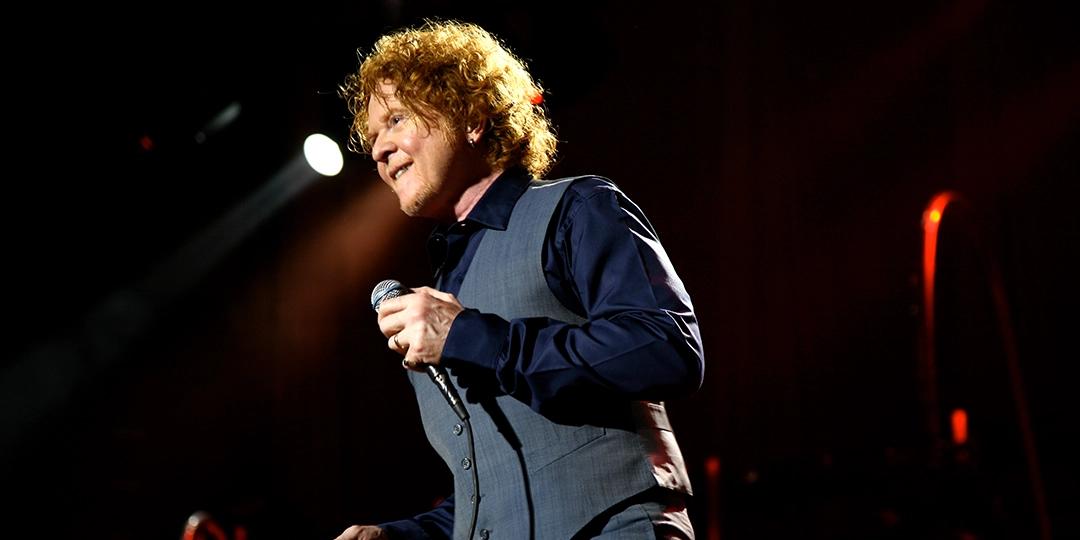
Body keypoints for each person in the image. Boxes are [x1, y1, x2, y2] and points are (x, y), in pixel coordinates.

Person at [335, 20, 704, 540]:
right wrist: (403, 536)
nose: (379, 149)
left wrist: (469, 336)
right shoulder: (444, 287)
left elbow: (666, 348)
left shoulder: (576, 208)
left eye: (396, 120)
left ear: (472, 118)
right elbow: (501, 487)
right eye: (372, 137)